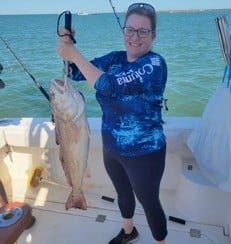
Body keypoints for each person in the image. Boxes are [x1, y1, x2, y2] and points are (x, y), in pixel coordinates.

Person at [57, 3, 168, 244]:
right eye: (130, 30)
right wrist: (69, 46)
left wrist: (73, 54)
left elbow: (111, 86)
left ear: (153, 35)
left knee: (150, 204)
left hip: (145, 153)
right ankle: (129, 232)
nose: (134, 37)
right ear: (123, 31)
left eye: (142, 31)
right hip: (112, 148)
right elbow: (76, 73)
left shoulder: (154, 64)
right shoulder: (115, 58)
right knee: (123, 194)